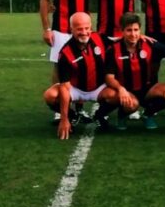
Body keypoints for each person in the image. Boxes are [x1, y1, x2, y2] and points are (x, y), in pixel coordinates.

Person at [41, 0, 99, 123]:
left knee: (82, 66)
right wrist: (46, 28)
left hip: (83, 29)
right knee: (59, 67)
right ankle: (59, 109)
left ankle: (80, 108)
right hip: (62, 28)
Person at [102, 12, 165, 133]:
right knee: (132, 104)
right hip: (126, 90)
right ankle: (122, 115)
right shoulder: (113, 49)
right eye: (129, 30)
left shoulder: (149, 44)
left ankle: (148, 114)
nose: (133, 34)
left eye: (136, 30)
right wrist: (121, 89)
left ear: (140, 30)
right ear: (122, 31)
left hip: (147, 89)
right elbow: (109, 78)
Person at [42, 12, 113, 140]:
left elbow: (120, 43)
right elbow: (64, 87)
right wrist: (64, 119)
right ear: (72, 30)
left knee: (118, 96)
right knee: (50, 96)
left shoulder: (100, 38)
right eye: (79, 29)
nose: (84, 32)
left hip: (98, 88)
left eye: (87, 28)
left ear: (91, 28)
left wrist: (139, 37)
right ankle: (72, 116)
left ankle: (100, 115)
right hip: (75, 89)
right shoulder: (65, 53)